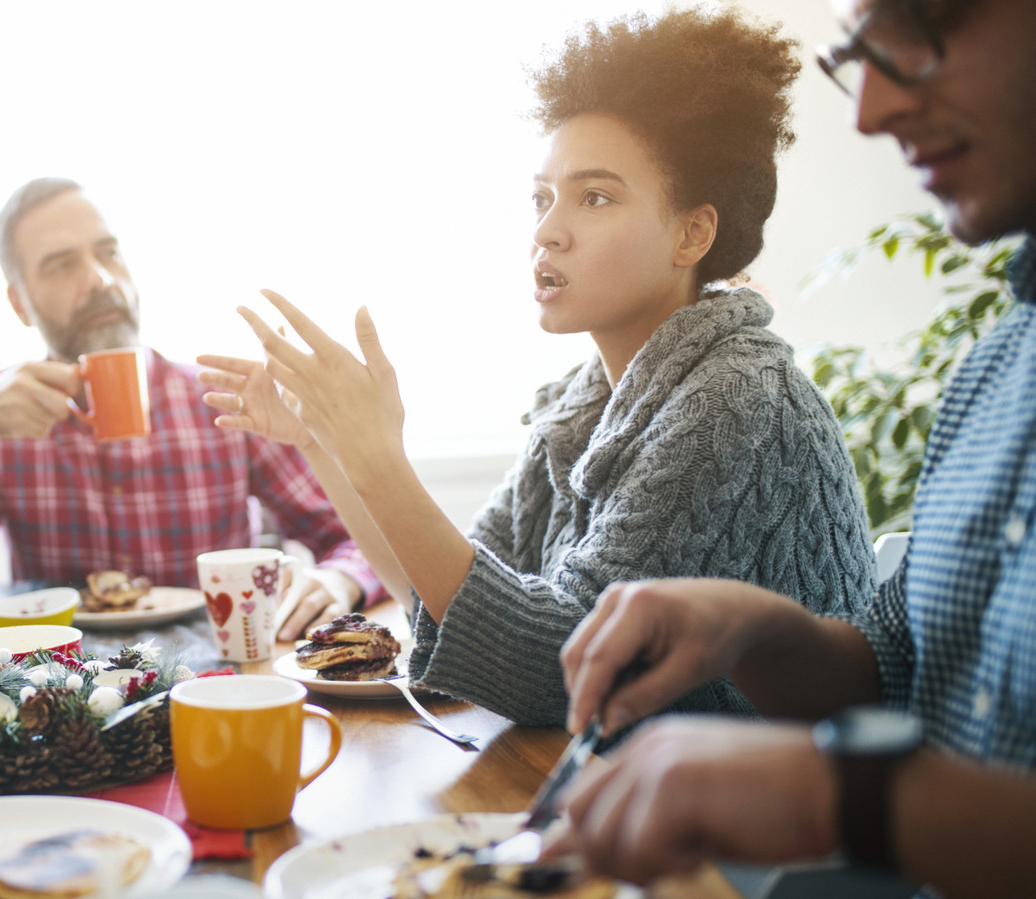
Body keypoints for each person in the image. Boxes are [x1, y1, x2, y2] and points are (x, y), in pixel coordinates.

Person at [200, 7, 874, 725]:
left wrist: (379, 459)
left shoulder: (737, 399)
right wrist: (324, 443)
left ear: (693, 231)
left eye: (595, 197)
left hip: (765, 818)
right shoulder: (585, 399)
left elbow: (558, 669)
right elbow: (449, 603)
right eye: (541, 198)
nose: (547, 231)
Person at [552, 0, 1036, 894]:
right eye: (860, 57)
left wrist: (847, 799)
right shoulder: (996, 368)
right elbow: (896, 670)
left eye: (923, 31)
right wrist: (745, 624)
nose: (870, 110)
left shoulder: (737, 388)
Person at [0, 178, 381, 637]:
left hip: (218, 680)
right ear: (20, 305)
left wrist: (341, 580)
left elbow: (355, 538)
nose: (101, 279)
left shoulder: (225, 397)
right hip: (62, 695)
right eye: (62, 265)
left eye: (109, 253)